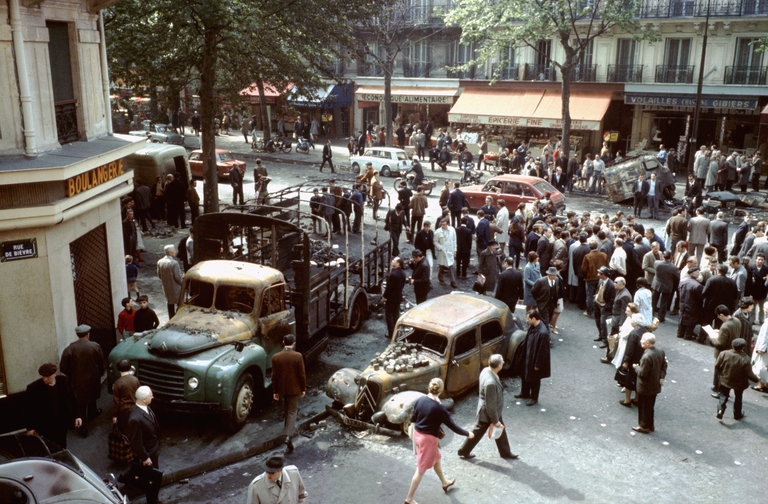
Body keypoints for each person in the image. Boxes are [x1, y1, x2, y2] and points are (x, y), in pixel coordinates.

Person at [404, 378, 474, 503]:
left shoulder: (421, 400)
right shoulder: (440, 408)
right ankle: (409, 499)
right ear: (441, 391)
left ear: (429, 387)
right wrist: (467, 433)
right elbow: (453, 426)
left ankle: (444, 482)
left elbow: (413, 418)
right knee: (420, 469)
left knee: (436, 457)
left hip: (418, 435)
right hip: (428, 440)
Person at [457, 354, 517, 460]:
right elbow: (491, 405)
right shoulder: (491, 383)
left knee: (498, 429)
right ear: (498, 366)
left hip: (491, 410)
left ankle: (505, 452)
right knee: (479, 431)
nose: (503, 362)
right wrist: (495, 421)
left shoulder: (486, 370)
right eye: (502, 361)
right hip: (488, 412)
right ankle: (464, 451)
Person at [60, 324, 104, 437]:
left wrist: (72, 374)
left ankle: (83, 428)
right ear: (88, 334)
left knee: (80, 404)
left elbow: (63, 368)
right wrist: (100, 373)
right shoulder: (95, 346)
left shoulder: (69, 349)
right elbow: (101, 362)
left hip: (77, 380)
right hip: (93, 378)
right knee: (92, 395)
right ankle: (93, 412)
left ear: (77, 335)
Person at [25, 363, 80, 449]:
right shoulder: (34, 388)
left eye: (48, 377)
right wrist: (30, 427)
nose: (45, 379)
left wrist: (77, 416)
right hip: (46, 423)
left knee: (62, 443)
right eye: (43, 377)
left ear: (55, 374)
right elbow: (29, 409)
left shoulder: (64, 381)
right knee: (50, 445)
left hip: (62, 420)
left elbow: (73, 400)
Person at [271, 334, 306, 453]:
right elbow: (301, 375)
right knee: (292, 411)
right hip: (294, 389)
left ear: (283, 342)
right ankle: (288, 436)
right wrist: (303, 389)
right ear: (293, 343)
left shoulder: (276, 357)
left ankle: (287, 430)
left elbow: (274, 376)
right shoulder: (298, 356)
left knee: (287, 409)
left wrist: (275, 391)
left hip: (282, 389)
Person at [127, 386, 162, 504]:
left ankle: (154, 498)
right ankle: (152, 501)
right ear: (143, 399)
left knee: (153, 477)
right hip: (148, 453)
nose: (153, 397)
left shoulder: (145, 407)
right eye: (150, 395)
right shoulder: (135, 418)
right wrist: (145, 457)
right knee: (151, 479)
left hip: (153, 449)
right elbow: (136, 441)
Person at [715, 338, 758, 420]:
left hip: (725, 380)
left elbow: (716, 366)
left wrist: (722, 373)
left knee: (723, 395)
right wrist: (757, 379)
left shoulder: (723, 353)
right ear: (743, 348)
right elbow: (749, 374)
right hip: (739, 383)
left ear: (732, 345)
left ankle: (720, 410)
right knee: (738, 398)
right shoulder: (745, 359)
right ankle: (737, 414)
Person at [632, 333, 667, 434]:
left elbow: (643, 373)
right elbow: (664, 365)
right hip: (655, 385)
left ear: (647, 343)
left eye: (642, 339)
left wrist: (636, 367)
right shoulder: (660, 351)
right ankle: (650, 424)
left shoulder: (647, 356)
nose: (640, 341)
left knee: (643, 406)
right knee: (650, 406)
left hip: (645, 386)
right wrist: (661, 377)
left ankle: (644, 426)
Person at [515, 310, 551, 406]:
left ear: (534, 318)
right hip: (528, 356)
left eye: (528, 318)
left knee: (535, 379)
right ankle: (525, 392)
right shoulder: (533, 327)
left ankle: (534, 397)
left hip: (534, 359)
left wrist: (538, 364)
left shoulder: (543, 333)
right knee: (525, 375)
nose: (527, 320)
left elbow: (542, 351)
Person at [710, 305, 742, 396]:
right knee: (725, 372)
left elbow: (720, 343)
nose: (718, 317)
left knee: (720, 373)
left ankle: (720, 391)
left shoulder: (725, 326)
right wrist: (719, 332)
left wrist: (712, 338)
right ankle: (717, 387)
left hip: (723, 353)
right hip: (732, 351)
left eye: (718, 315)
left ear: (721, 315)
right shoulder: (737, 321)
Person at [113, 358, 140, 434]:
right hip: (135, 408)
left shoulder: (118, 383)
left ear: (118, 369)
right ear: (129, 367)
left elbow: (116, 402)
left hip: (124, 411)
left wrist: (115, 416)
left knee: (125, 430)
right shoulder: (135, 380)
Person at [651, 251, 679, 323]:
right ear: (671, 257)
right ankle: (661, 317)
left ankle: (650, 315)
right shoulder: (674, 267)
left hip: (657, 284)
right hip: (667, 286)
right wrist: (675, 287)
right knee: (664, 303)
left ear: (663, 256)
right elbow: (677, 278)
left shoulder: (656, 263)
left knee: (653, 301)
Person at [382, 257, 407, 339]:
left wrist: (385, 296)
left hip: (391, 298)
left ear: (398, 263)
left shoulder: (393, 274)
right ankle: (396, 332)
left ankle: (391, 334)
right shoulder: (403, 273)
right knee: (396, 314)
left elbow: (389, 288)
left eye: (394, 260)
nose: (392, 261)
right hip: (398, 297)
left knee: (389, 315)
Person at [157, 245, 184, 319]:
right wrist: (183, 284)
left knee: (169, 303)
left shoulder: (160, 262)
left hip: (166, 286)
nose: (175, 251)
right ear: (170, 253)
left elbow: (159, 275)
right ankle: (178, 318)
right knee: (179, 303)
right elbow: (177, 277)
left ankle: (171, 318)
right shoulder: (174, 263)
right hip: (176, 287)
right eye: (174, 250)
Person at [677, 267, 703, 341]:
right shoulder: (697, 285)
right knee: (691, 321)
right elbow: (701, 297)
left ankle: (680, 333)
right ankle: (687, 335)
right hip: (693, 305)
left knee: (682, 318)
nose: (699, 274)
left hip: (682, 303)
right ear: (693, 274)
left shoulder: (682, 281)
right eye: (698, 272)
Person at [593, 266, 616, 348]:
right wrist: (595, 297)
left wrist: (606, 306)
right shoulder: (600, 281)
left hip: (604, 306)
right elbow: (598, 290)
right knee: (597, 321)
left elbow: (612, 298)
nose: (598, 274)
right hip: (597, 303)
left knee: (603, 323)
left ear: (604, 274)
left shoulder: (611, 285)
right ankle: (600, 335)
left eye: (600, 273)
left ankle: (605, 341)